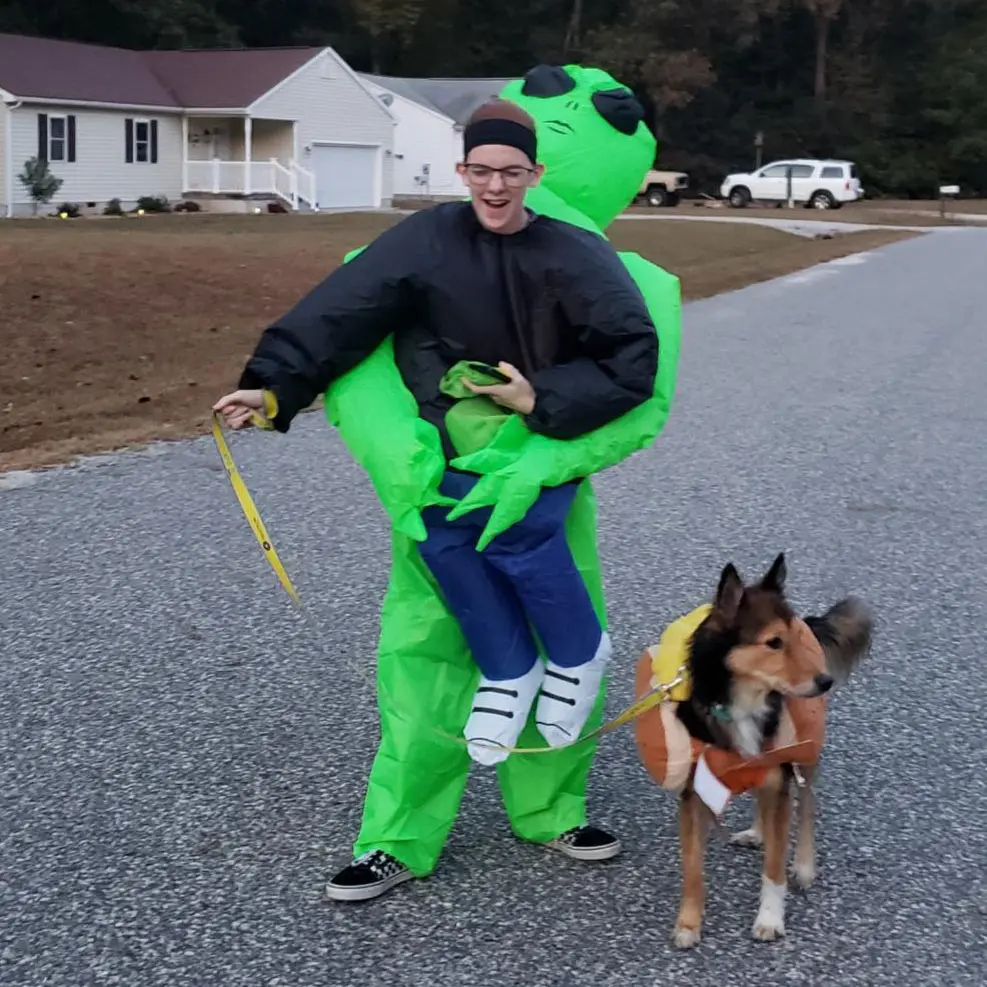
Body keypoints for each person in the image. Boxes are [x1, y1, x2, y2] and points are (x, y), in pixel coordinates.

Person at [215, 96, 661, 900]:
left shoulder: (575, 253)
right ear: (461, 170)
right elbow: (340, 313)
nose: (495, 186)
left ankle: (552, 810)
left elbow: (632, 357)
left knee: (561, 638)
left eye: (511, 172)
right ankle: (396, 838)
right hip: (438, 478)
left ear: (535, 173)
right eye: (481, 170)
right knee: (424, 661)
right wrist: (272, 387)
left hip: (539, 469)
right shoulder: (424, 239)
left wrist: (543, 400)